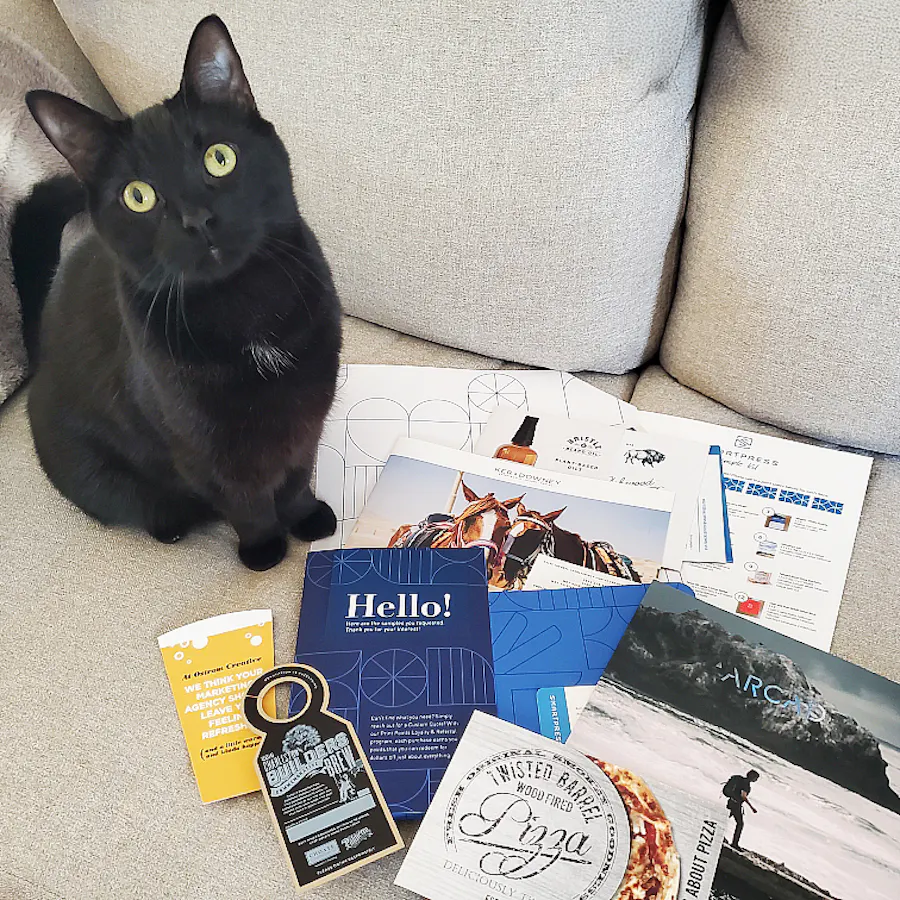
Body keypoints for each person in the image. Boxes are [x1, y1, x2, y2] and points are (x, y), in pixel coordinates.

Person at [724, 769, 759, 850]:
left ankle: (721, 835)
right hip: (736, 805)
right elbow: (743, 796)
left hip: (731, 802)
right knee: (740, 824)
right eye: (756, 778)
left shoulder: (740, 780)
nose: (756, 780)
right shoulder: (746, 785)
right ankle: (734, 843)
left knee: (725, 819)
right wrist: (752, 807)